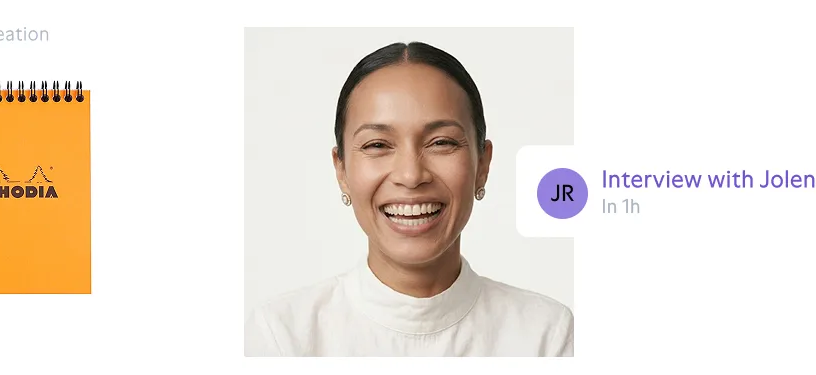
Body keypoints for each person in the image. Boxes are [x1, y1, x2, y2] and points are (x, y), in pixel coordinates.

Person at [243, 42, 573, 357]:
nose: (411, 175)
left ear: (482, 165)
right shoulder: (282, 337)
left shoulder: (546, 335)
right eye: (377, 145)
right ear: (341, 170)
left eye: (441, 142)